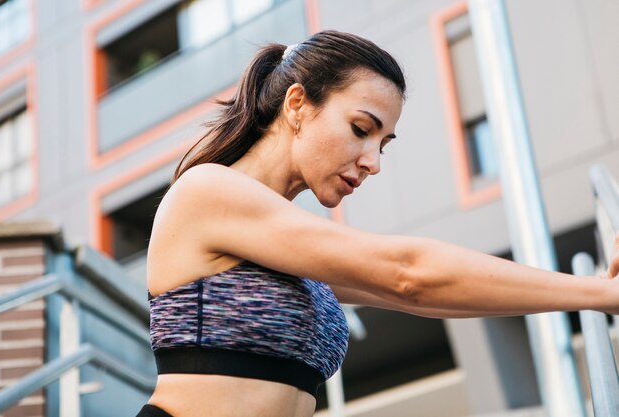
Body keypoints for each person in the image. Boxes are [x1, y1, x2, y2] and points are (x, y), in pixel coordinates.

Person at [135, 30, 619, 417]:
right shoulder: (208, 191)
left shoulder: (283, 245)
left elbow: (429, 294)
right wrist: (599, 295)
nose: (373, 162)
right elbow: (407, 274)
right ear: (298, 105)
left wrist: (594, 288)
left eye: (383, 144)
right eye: (361, 130)